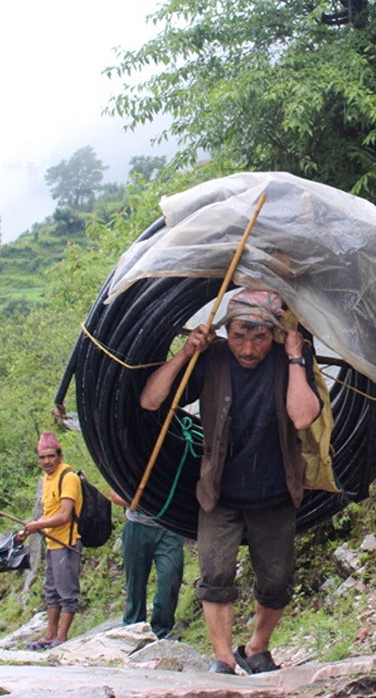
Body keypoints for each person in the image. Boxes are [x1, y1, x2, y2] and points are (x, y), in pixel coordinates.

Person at [139, 288, 322, 675]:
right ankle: (222, 658)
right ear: (226, 332)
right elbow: (152, 401)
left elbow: (304, 417)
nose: (249, 348)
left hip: (274, 492)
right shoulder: (213, 359)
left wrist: (293, 355)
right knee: (215, 576)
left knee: (276, 581)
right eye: (239, 335)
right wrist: (187, 353)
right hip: (221, 493)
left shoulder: (288, 359)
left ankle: (256, 647)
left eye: (259, 337)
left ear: (274, 333)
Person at [17, 430, 84, 651]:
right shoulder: (48, 479)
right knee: (51, 591)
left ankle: (61, 639)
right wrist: (29, 530)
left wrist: (38, 525)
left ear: (60, 456)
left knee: (67, 593)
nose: (46, 461)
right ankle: (49, 636)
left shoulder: (69, 478)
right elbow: (49, 512)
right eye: (42, 457)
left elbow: (64, 515)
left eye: (50, 456)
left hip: (68, 543)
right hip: (52, 543)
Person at [110, 490, 186, 640]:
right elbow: (115, 495)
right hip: (137, 525)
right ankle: (133, 627)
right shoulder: (131, 467)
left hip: (169, 527)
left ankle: (162, 630)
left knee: (170, 577)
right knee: (135, 582)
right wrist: (146, 502)